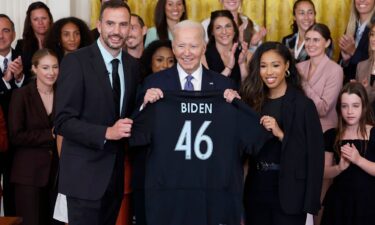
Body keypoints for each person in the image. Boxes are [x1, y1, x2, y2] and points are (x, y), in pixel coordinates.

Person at [54, 1, 140, 224]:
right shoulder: (75, 61)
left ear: (130, 28)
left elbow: (128, 117)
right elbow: (63, 121)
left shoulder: (132, 66)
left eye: (123, 25)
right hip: (82, 180)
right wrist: (106, 133)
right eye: (110, 23)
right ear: (99, 25)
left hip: (114, 180)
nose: (116, 31)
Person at [239, 42, 324, 225]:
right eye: (263, 66)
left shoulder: (303, 105)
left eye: (275, 65)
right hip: (256, 190)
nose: (269, 72)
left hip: (291, 194)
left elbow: (315, 156)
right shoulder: (252, 103)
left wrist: (280, 134)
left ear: (286, 66)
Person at [8, 48, 59, 225]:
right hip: (28, 175)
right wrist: (50, 135)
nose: (51, 72)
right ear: (34, 69)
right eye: (45, 68)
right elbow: (15, 135)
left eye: (55, 67)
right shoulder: (21, 95)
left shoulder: (64, 94)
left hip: (57, 176)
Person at [321, 82, 375, 225]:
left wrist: (358, 160)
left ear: (364, 106)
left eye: (355, 106)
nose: (350, 111)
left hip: (368, 204)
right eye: (345, 106)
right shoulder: (331, 135)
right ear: (339, 108)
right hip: (339, 203)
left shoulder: (374, 133)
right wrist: (338, 168)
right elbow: (323, 172)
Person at [297, 23, 343, 132]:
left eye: (316, 40)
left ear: (327, 43)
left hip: (323, 131)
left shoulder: (335, 70)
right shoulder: (298, 67)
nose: (310, 44)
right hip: (298, 128)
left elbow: (323, 109)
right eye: (307, 39)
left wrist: (303, 84)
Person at [0, 13, 24, 217]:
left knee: (13, 192)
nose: (0, 36)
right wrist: (6, 80)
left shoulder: (25, 56)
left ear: (14, 34)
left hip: (19, 139)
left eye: (5, 30)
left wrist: (19, 79)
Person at [203, 10, 251, 88]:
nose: (224, 32)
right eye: (218, 28)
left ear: (234, 30)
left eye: (228, 26)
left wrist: (242, 64)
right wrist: (228, 68)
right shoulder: (203, 56)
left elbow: (248, 89)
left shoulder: (245, 54)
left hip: (239, 99)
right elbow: (208, 88)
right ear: (212, 32)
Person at [201, 0, 266, 51]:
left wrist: (253, 45)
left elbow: (256, 60)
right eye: (218, 28)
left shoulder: (251, 25)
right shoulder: (206, 24)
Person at [15, 1, 53, 80]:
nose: (40, 23)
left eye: (44, 18)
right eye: (35, 19)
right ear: (30, 23)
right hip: (30, 89)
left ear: (50, 20)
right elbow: (19, 76)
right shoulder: (21, 45)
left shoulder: (59, 42)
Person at [339, 0, 375, 83]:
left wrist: (353, 52)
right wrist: (345, 60)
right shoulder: (351, 25)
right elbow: (341, 65)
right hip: (349, 86)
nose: (362, 0)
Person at [356, 22, 375, 110]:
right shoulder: (361, 66)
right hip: (364, 120)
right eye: (372, 34)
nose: (373, 39)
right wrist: (355, 89)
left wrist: (367, 89)